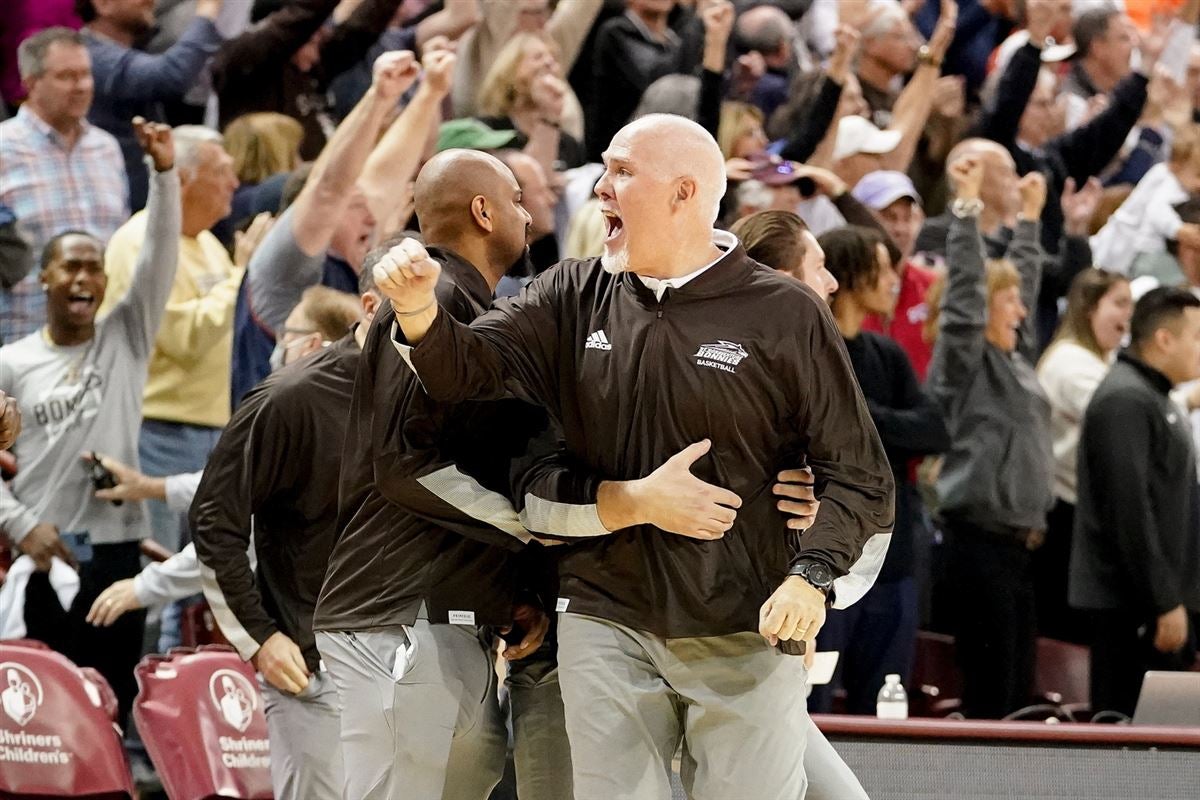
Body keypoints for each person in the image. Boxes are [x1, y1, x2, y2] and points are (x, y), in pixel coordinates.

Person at [374, 114, 894, 798]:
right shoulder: (570, 293)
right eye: (604, 169)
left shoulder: (786, 313)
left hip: (742, 624)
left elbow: (859, 474)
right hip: (604, 617)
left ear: (684, 194)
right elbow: (466, 371)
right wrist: (418, 315)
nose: (601, 189)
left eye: (623, 172)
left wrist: (810, 575)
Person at [0, 119, 178, 724]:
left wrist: (164, 175)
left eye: (94, 267)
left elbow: (158, 258)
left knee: (107, 712)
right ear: (43, 277)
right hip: (43, 554)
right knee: (39, 724)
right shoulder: (12, 362)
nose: (83, 278)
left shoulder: (125, 337)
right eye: (69, 267)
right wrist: (20, 523)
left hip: (115, 555)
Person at [189, 282, 364, 800]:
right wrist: (260, 637)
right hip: (312, 660)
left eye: (284, 335)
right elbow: (213, 520)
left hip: (405, 660)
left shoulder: (422, 395)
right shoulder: (284, 400)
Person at [230, 48, 443, 406]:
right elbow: (330, 189)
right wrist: (378, 98)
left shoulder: (358, 260)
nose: (374, 216)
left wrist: (430, 92)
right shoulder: (283, 270)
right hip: (276, 451)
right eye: (357, 207)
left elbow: (388, 173)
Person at [926, 155, 1054, 719]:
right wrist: (967, 209)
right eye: (1007, 302)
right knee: (990, 696)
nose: (1021, 310)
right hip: (977, 543)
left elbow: (1021, 277)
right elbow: (964, 302)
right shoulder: (966, 360)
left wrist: (1030, 219)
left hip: (1020, 549)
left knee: (1017, 693)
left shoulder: (1016, 359)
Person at [812, 225, 950, 715]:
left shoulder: (887, 355)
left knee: (887, 711)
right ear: (848, 274)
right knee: (814, 704)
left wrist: (863, 414)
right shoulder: (815, 353)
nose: (895, 280)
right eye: (883, 268)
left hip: (893, 559)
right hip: (823, 563)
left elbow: (935, 430)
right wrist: (884, 423)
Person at [97, 124, 240, 558]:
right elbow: (182, 340)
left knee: (201, 577)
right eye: (222, 172)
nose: (234, 183)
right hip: (156, 432)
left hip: (211, 430)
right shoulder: (138, 242)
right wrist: (242, 276)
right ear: (181, 178)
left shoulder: (210, 245)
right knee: (156, 573)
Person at [1071, 287, 1200, 717]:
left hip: (1151, 605)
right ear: (1165, 339)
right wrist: (1163, 601)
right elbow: (1128, 510)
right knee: (1130, 749)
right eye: (1196, 337)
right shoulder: (1126, 399)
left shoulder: (1154, 396)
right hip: (1131, 611)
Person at [0, 27, 128, 343]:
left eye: (86, 75)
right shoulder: (3, 149)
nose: (82, 86)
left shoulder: (107, 148)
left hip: (99, 341)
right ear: (30, 82)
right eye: (66, 76)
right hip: (21, 339)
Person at [1034, 269, 1133, 642]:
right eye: (1119, 303)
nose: (1128, 316)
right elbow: (1122, 420)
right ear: (1089, 308)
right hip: (1065, 518)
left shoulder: (1103, 362)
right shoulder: (1070, 362)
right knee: (1071, 638)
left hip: (1084, 514)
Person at [79, 0, 225, 210]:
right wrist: (206, 12)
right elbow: (168, 77)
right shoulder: (93, 56)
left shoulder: (138, 47)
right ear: (103, 4)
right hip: (122, 204)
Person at [852, 170, 939, 381]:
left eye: (907, 217)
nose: (901, 229)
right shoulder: (843, 292)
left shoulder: (933, 286)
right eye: (889, 217)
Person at [476, 32, 586, 172]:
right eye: (538, 57)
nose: (549, 62)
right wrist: (548, 119)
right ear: (511, 69)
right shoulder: (485, 131)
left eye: (553, 59)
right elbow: (526, 186)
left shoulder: (569, 144)